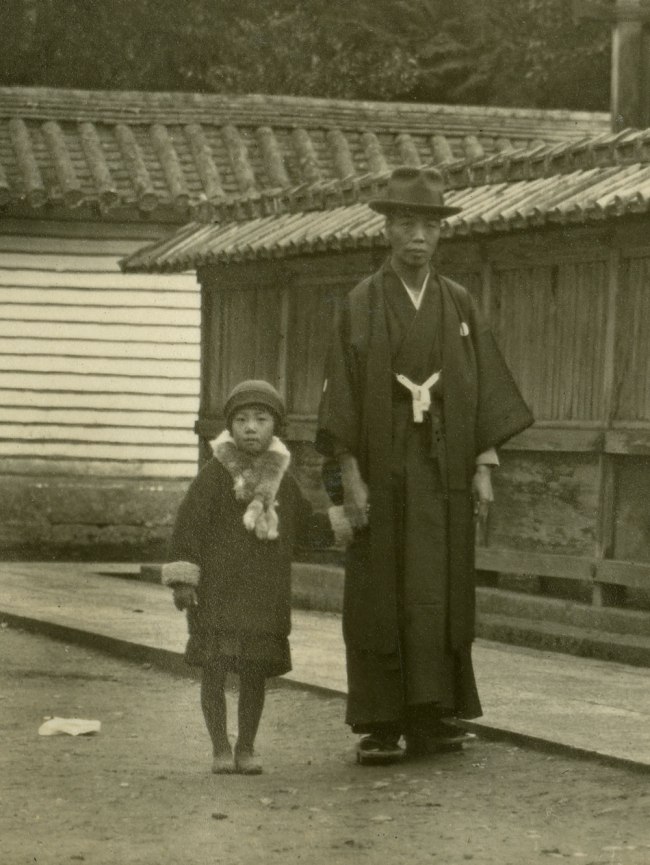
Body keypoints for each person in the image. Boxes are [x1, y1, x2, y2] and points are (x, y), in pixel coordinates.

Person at [316, 166, 534, 764]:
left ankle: (435, 714)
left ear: (441, 234)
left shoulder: (457, 301)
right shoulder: (361, 302)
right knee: (380, 591)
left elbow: (482, 386)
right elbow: (342, 396)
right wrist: (350, 477)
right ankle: (382, 721)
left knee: (440, 588)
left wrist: (483, 467)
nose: (418, 236)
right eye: (407, 223)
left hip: (443, 465)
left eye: (429, 226)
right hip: (382, 462)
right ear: (386, 229)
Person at [163, 380, 345, 775]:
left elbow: (304, 528)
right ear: (230, 426)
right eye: (242, 420)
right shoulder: (214, 475)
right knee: (214, 670)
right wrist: (184, 579)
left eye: (261, 419)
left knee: (254, 674)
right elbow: (188, 527)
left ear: (275, 426)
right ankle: (219, 747)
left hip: (264, 596)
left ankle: (246, 746)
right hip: (218, 594)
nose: (250, 428)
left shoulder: (282, 479)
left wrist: (343, 521)